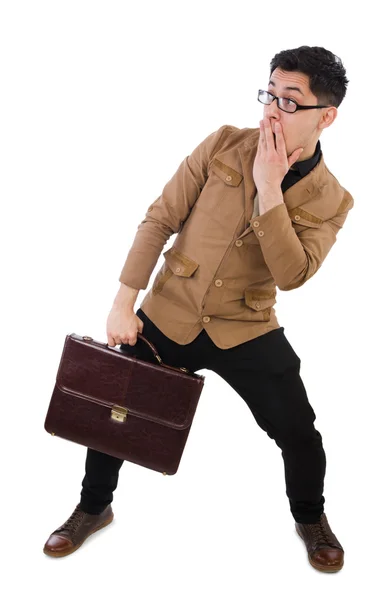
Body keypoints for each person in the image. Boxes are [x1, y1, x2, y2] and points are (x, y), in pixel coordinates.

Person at [43, 45, 353, 572]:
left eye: (290, 101)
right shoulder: (223, 143)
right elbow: (159, 218)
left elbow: (292, 274)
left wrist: (270, 188)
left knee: (299, 431)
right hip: (170, 311)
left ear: (326, 116)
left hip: (246, 326)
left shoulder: (331, 199)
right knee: (113, 410)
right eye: (270, 94)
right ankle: (93, 508)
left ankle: (310, 518)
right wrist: (124, 303)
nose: (272, 110)